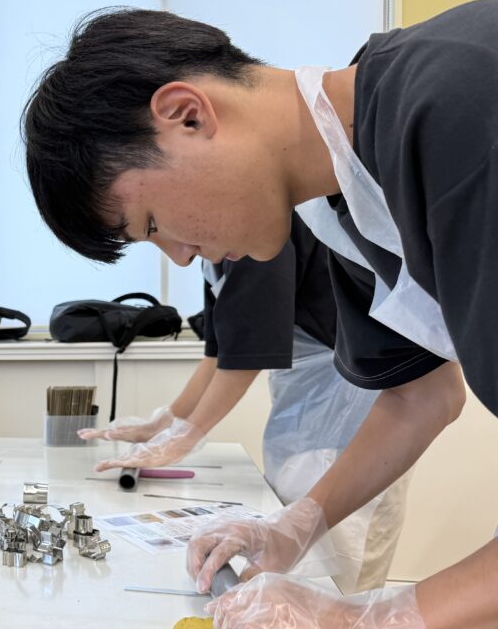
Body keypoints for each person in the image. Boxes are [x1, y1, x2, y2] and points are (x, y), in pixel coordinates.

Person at [23, 1, 497, 629]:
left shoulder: (456, 103)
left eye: (154, 224)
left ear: (186, 114)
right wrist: (296, 522)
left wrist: (374, 626)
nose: (180, 256)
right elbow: (423, 395)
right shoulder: (341, 206)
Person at [84, 215, 411, 594]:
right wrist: (166, 422)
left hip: (358, 404)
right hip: (304, 405)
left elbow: (245, 357)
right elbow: (220, 354)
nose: (177, 257)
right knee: (295, 551)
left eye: (153, 226)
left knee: (339, 568)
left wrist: (186, 435)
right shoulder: (210, 254)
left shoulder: (246, 224)